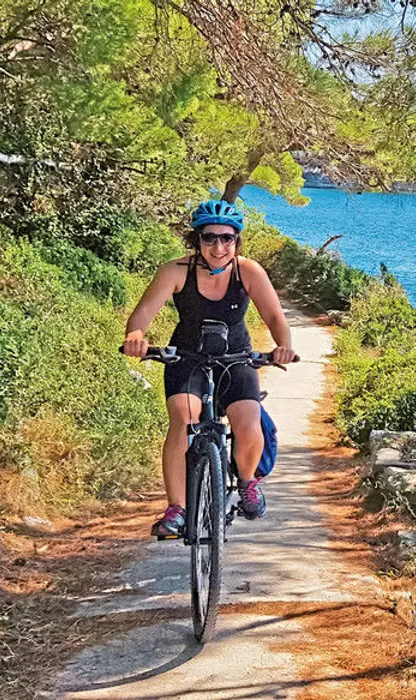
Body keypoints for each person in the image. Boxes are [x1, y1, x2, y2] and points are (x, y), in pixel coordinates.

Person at [122, 200, 297, 538]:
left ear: (237, 241)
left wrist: (283, 346)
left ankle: (247, 482)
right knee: (183, 420)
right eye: (209, 238)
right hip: (186, 358)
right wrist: (136, 336)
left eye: (227, 239)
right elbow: (143, 313)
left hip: (236, 358)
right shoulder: (175, 270)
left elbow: (274, 316)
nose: (219, 247)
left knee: (247, 420)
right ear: (197, 240)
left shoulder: (249, 272)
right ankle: (177, 509)